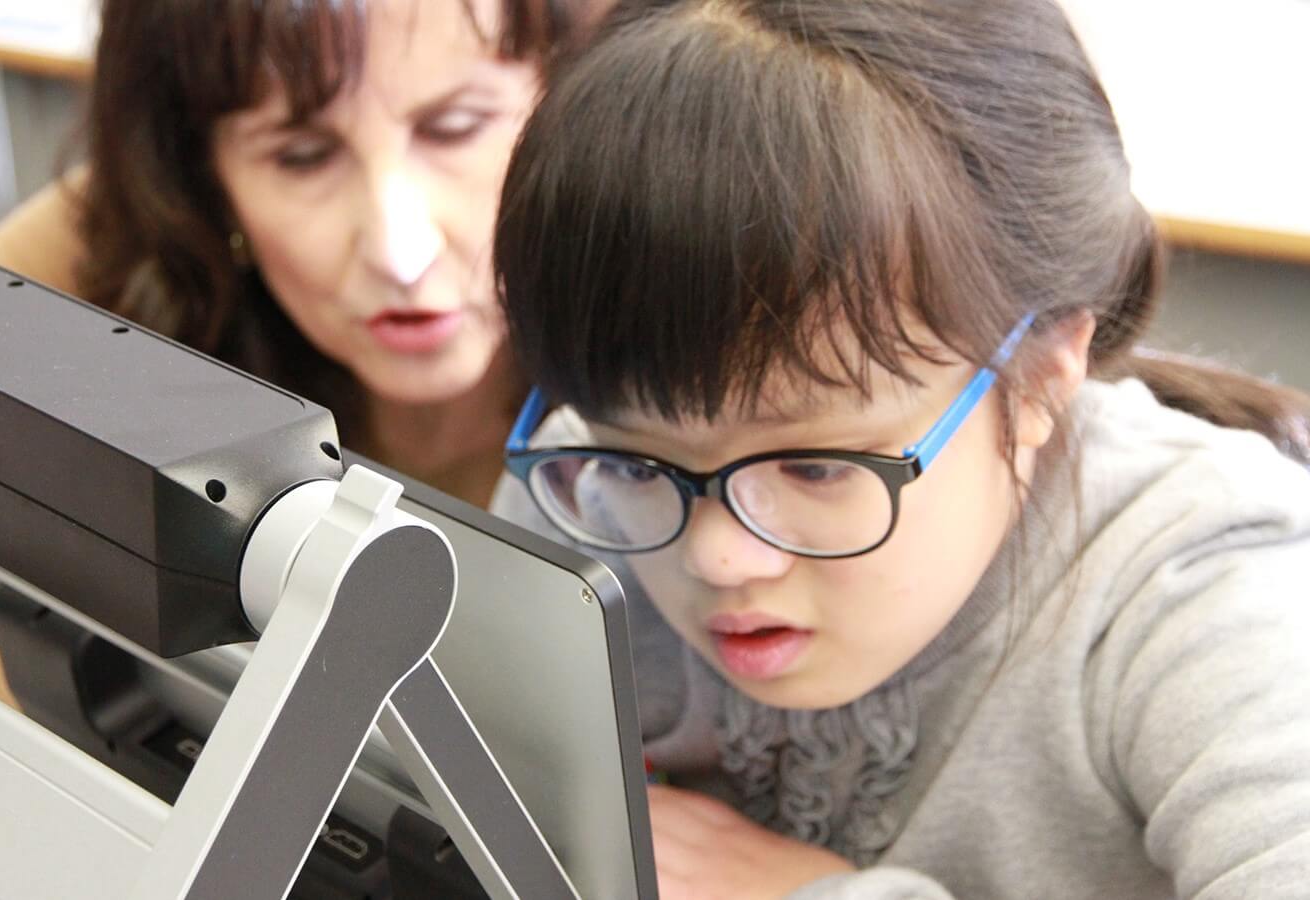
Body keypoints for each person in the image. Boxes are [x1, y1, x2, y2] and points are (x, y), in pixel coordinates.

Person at [490, 0, 1310, 897]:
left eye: (816, 466)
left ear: (1041, 370)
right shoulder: (577, 492)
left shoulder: (1207, 584)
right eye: (641, 460)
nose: (719, 556)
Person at [0, 0, 600, 703]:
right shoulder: (114, 242)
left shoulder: (675, 244)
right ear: (202, 178)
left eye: (455, 129)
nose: (399, 251)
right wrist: (50, 664)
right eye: (299, 155)